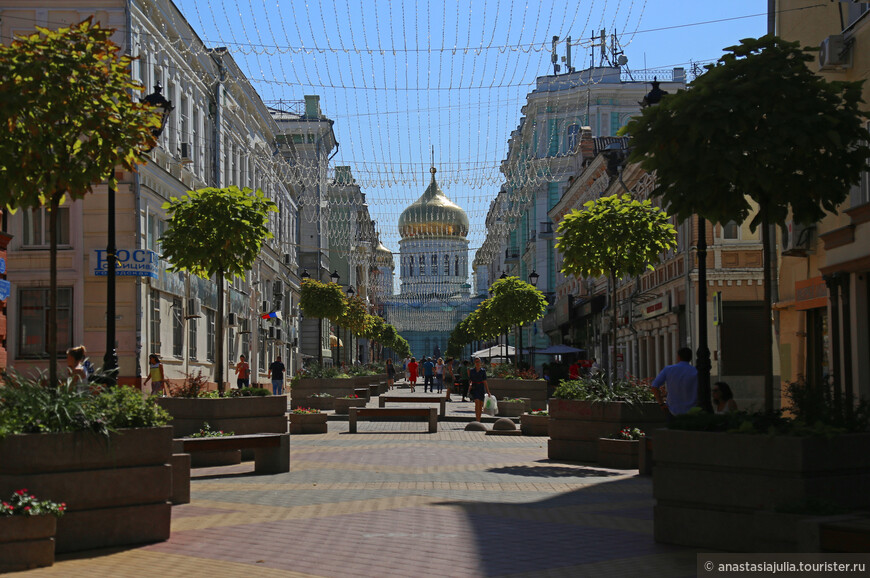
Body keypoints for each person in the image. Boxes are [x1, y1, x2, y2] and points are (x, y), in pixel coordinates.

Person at [650, 347, 698, 417]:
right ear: (691, 357)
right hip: (692, 410)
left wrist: (661, 403)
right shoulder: (696, 371)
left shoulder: (668, 369)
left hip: (672, 410)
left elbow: (654, 386)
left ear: (678, 357)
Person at [467, 357, 492, 421]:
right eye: (476, 362)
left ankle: (479, 419)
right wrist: (469, 387)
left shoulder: (483, 371)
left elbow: (485, 381)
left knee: (480, 405)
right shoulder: (472, 371)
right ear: (474, 363)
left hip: (481, 387)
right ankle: (477, 419)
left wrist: (488, 391)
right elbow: (470, 380)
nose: (477, 363)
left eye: (478, 361)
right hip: (475, 387)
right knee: (477, 402)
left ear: (480, 363)